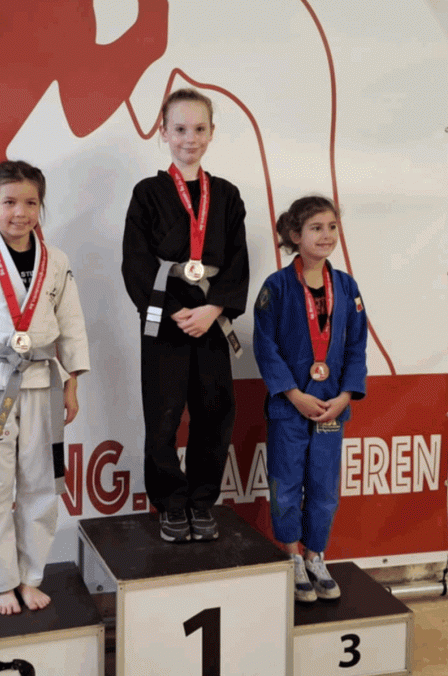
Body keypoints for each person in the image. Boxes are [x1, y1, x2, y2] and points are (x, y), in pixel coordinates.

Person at [0, 161, 90, 615]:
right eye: (9, 202)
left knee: (41, 485)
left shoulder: (57, 262)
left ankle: (30, 576)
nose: (20, 212)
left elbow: (71, 325)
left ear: (40, 207)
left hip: (44, 383)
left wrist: (72, 385)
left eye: (30, 202)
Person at [122, 88, 249, 542]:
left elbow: (237, 261)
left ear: (212, 133)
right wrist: (176, 312)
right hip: (166, 322)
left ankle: (201, 501)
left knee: (214, 413)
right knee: (163, 415)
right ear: (163, 132)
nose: (189, 138)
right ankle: (171, 503)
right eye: (179, 129)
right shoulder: (148, 193)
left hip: (212, 322)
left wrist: (213, 309)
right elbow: (136, 261)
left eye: (199, 129)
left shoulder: (227, 196)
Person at [253, 196, 367, 602]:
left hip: (331, 406)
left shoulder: (347, 287)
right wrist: (293, 394)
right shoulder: (277, 287)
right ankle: (291, 557)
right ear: (295, 235)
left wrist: (345, 395)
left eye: (332, 227)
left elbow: (356, 346)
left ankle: (315, 555)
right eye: (316, 228)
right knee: (286, 484)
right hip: (291, 406)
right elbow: (265, 347)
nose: (326, 235)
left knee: (324, 488)